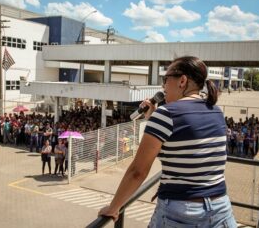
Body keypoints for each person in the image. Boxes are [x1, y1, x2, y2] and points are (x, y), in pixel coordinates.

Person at [99, 56, 236, 227]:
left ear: (182, 81)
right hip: (220, 208)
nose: (163, 86)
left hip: (182, 211)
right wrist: (152, 118)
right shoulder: (216, 111)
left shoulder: (166, 114)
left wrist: (114, 207)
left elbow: (137, 171)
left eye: (166, 79)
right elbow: (184, 150)